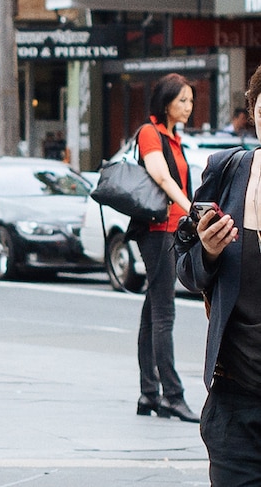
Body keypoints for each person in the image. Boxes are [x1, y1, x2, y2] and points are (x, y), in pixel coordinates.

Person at [177, 63, 261, 485]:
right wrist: (207, 252)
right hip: (237, 402)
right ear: (253, 111)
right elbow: (187, 271)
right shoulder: (228, 173)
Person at [133, 73, 199, 423]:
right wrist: (191, 209)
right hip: (158, 230)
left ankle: (148, 393)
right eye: (183, 100)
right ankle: (172, 396)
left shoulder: (175, 139)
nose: (188, 107)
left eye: (190, 101)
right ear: (166, 101)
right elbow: (160, 176)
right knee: (164, 313)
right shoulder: (150, 133)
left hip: (172, 229)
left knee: (151, 312)